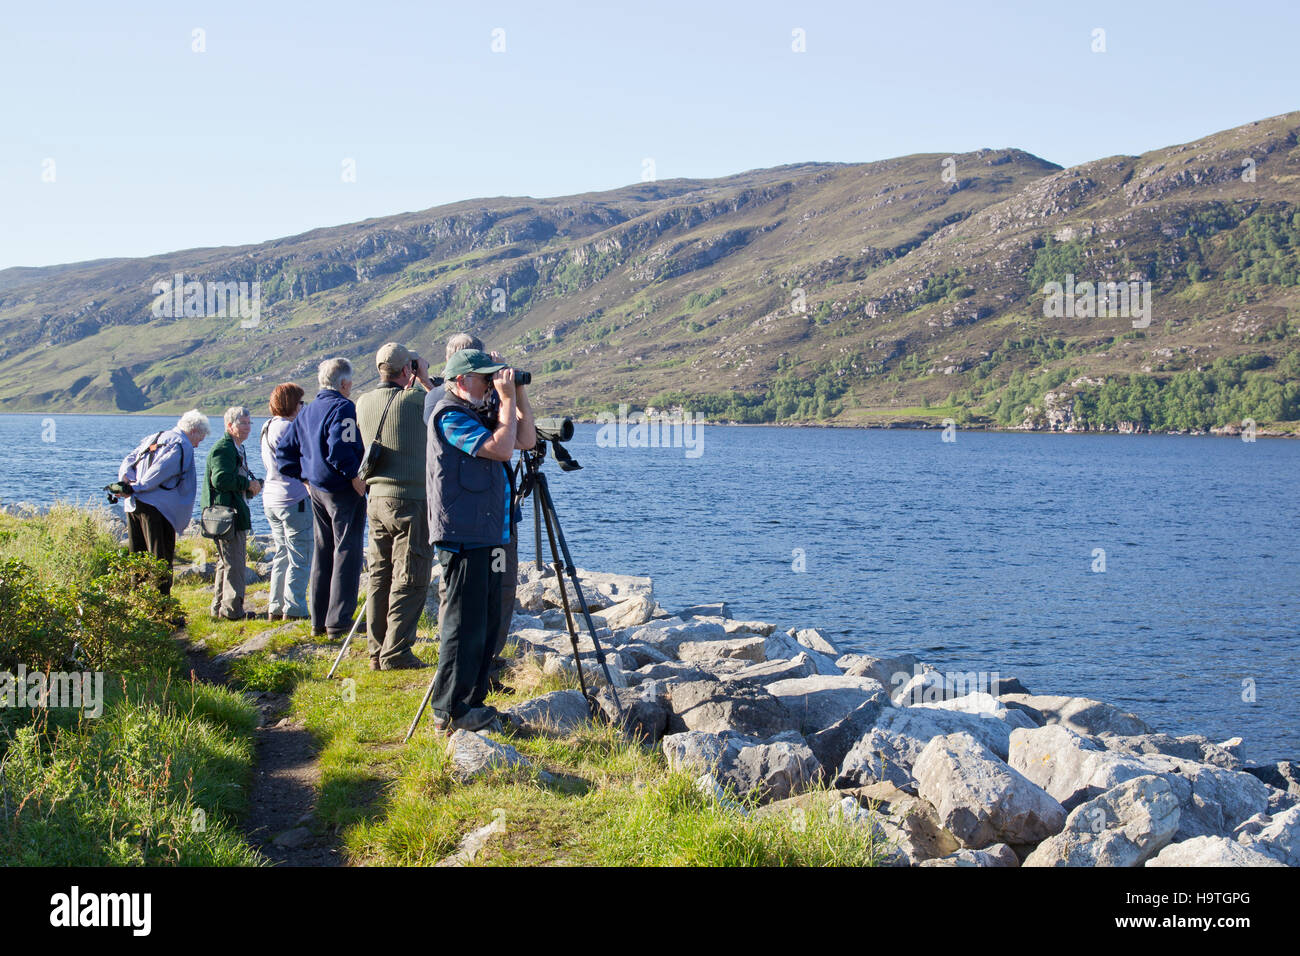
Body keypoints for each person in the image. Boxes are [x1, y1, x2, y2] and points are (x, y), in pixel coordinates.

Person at [426, 349, 535, 732]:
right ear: (460, 381)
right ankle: (448, 710)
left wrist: (518, 394)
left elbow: (525, 439)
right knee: (463, 624)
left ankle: (473, 702)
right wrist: (505, 400)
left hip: (490, 535)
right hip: (463, 536)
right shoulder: (449, 415)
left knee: (487, 623)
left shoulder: (478, 411)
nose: (491, 383)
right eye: (484, 377)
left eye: (494, 377)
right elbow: (502, 448)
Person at [356, 343, 437, 670]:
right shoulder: (418, 399)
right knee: (411, 575)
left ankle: (376, 650)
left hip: (375, 500)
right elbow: (446, 403)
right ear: (408, 370)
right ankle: (397, 652)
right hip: (412, 501)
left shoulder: (362, 402)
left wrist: (413, 376)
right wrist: (426, 378)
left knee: (379, 575)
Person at [276, 357, 367, 640]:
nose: (350, 387)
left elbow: (284, 453)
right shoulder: (344, 407)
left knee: (323, 551)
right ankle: (339, 621)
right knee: (347, 552)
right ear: (343, 383)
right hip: (342, 490)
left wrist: (303, 478)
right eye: (349, 383)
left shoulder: (307, 411)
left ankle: (319, 619)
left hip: (316, 490)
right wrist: (355, 476)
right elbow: (341, 448)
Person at [117, 409, 209, 596]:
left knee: (138, 557)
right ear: (193, 431)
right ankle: (162, 610)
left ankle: (138, 603)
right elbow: (162, 469)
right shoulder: (182, 444)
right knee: (161, 558)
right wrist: (140, 486)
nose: (198, 444)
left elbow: (130, 459)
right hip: (158, 509)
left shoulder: (156, 436)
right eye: (200, 438)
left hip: (134, 505)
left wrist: (127, 481)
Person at [203, 406, 262, 621]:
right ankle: (232, 612)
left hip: (230, 513)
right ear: (229, 426)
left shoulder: (236, 447)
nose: (247, 428)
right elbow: (219, 479)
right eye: (242, 423)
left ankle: (219, 608)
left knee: (225, 563)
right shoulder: (224, 448)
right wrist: (247, 484)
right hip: (227, 516)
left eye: (249, 423)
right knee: (235, 564)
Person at [261, 383, 313, 621]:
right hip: (292, 498)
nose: (303, 407)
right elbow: (302, 459)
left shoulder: (268, 425)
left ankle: (275, 604)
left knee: (282, 552)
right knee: (300, 553)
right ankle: (294, 607)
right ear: (293, 404)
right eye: (301, 402)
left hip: (271, 497)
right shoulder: (288, 428)